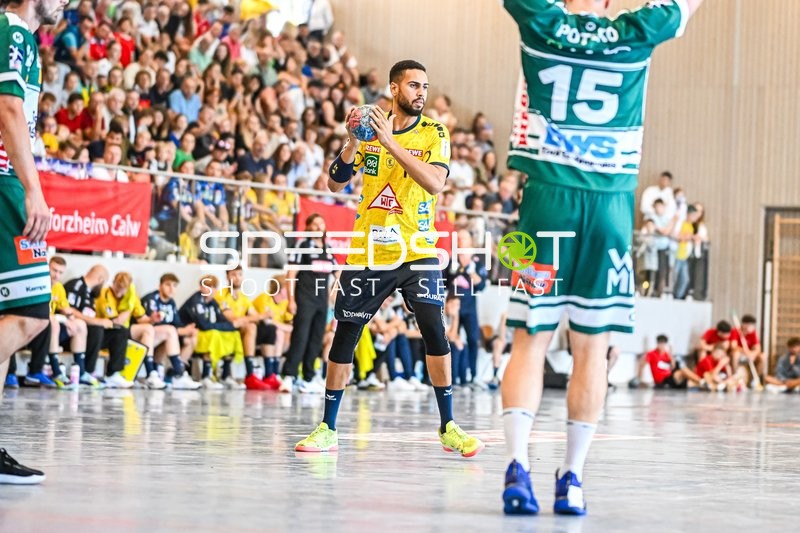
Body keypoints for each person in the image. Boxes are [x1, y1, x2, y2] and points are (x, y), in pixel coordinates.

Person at [500, 0, 704, 516]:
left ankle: (518, 466)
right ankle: (572, 478)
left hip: (546, 199)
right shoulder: (636, 30)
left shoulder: (541, 20)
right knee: (593, 350)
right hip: (610, 204)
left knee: (530, 339)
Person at [295, 60, 484, 457]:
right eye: (414, 85)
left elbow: (434, 182)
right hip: (368, 251)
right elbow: (335, 182)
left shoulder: (435, 132)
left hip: (417, 250)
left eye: (425, 87)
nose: (421, 92)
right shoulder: (367, 130)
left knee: (435, 327)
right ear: (394, 89)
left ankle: (448, 425)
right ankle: (327, 427)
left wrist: (389, 142)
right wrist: (352, 141)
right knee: (346, 332)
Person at [0, 0, 68, 485]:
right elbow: (8, 107)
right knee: (29, 316)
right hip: (4, 179)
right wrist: (33, 188)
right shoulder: (14, 31)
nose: (66, 2)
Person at [280, 213, 337, 395]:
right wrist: (291, 299)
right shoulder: (302, 246)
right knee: (300, 337)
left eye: (321, 223)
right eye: (314, 224)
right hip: (304, 299)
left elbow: (338, 274)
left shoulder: (328, 249)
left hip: (322, 302)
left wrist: (336, 295)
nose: (319, 227)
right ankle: (288, 376)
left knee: (315, 340)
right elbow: (291, 274)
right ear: (308, 227)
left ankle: (309, 377)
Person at [63, 265, 131, 388]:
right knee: (96, 329)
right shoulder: (76, 285)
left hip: (89, 334)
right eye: (104, 282)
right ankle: (87, 372)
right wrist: (97, 321)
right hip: (72, 333)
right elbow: (69, 310)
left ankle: (113, 374)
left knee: (120, 331)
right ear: (100, 279)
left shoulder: (91, 294)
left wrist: (109, 321)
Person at [24, 256, 85, 389]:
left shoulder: (59, 288)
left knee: (80, 325)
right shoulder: (37, 284)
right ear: (48, 268)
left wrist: (71, 320)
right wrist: (63, 319)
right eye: (54, 270)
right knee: (53, 321)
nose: (56, 275)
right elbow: (41, 312)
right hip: (35, 330)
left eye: (60, 272)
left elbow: (66, 309)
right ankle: (56, 371)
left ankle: (82, 372)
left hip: (51, 331)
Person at [215, 265, 279, 391]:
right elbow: (233, 318)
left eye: (240, 274)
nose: (237, 278)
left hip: (242, 329)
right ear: (227, 276)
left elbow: (254, 315)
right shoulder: (222, 295)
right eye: (233, 274)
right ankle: (250, 375)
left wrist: (263, 316)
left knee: (269, 329)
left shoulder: (243, 297)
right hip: (227, 328)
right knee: (251, 326)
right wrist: (260, 316)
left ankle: (269, 374)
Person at [95, 272, 162, 389]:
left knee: (148, 329)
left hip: (123, 332)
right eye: (117, 288)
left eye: (123, 289)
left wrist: (152, 319)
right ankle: (114, 374)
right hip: (106, 332)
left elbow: (142, 319)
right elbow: (116, 322)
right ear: (114, 283)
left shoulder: (131, 295)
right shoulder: (104, 293)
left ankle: (151, 372)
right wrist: (129, 305)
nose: (119, 292)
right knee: (120, 331)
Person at [179, 275, 242, 390]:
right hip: (186, 333)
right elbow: (204, 325)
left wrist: (231, 326)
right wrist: (227, 326)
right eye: (207, 286)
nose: (210, 290)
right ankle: (206, 376)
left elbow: (223, 321)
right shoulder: (196, 301)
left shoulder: (213, 303)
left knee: (233, 335)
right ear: (201, 288)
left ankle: (225, 375)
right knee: (213, 334)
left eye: (213, 287)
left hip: (202, 332)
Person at [140, 273, 202, 390]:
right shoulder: (151, 299)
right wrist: (181, 331)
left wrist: (187, 330)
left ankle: (173, 373)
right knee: (169, 331)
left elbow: (176, 324)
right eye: (168, 285)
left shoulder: (171, 303)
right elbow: (150, 323)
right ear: (160, 286)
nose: (171, 288)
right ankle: (177, 374)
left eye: (174, 285)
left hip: (161, 337)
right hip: (143, 338)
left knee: (190, 339)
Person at [632, 335, 702, 389]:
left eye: (663, 343)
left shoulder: (667, 354)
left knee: (689, 381)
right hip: (662, 380)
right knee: (682, 371)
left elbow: (673, 366)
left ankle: (704, 383)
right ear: (657, 343)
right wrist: (639, 378)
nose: (661, 345)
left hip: (670, 377)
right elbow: (642, 364)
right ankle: (701, 381)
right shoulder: (652, 354)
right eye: (660, 343)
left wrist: (670, 355)